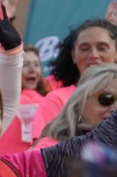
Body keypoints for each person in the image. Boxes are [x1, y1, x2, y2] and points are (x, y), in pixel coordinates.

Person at [31, 7, 117, 137]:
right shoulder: (56, 100)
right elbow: (44, 153)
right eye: (84, 48)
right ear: (73, 56)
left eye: (102, 48)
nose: (93, 55)